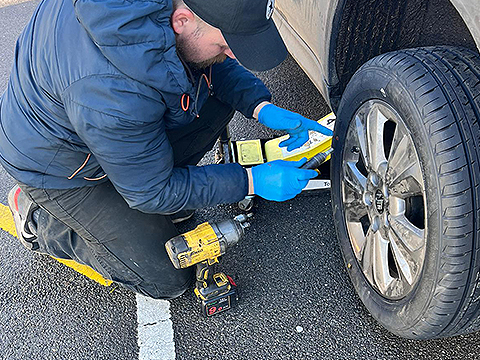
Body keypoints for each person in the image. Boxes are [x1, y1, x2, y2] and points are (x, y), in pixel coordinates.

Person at [0, 0, 332, 299]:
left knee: (212, 92)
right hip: (59, 166)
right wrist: (250, 181)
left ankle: (138, 182)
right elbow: (151, 191)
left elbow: (208, 60)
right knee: (167, 276)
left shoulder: (172, 18)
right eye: (227, 44)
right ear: (182, 20)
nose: (232, 54)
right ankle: (39, 218)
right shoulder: (110, 92)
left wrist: (259, 105)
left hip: (103, 128)